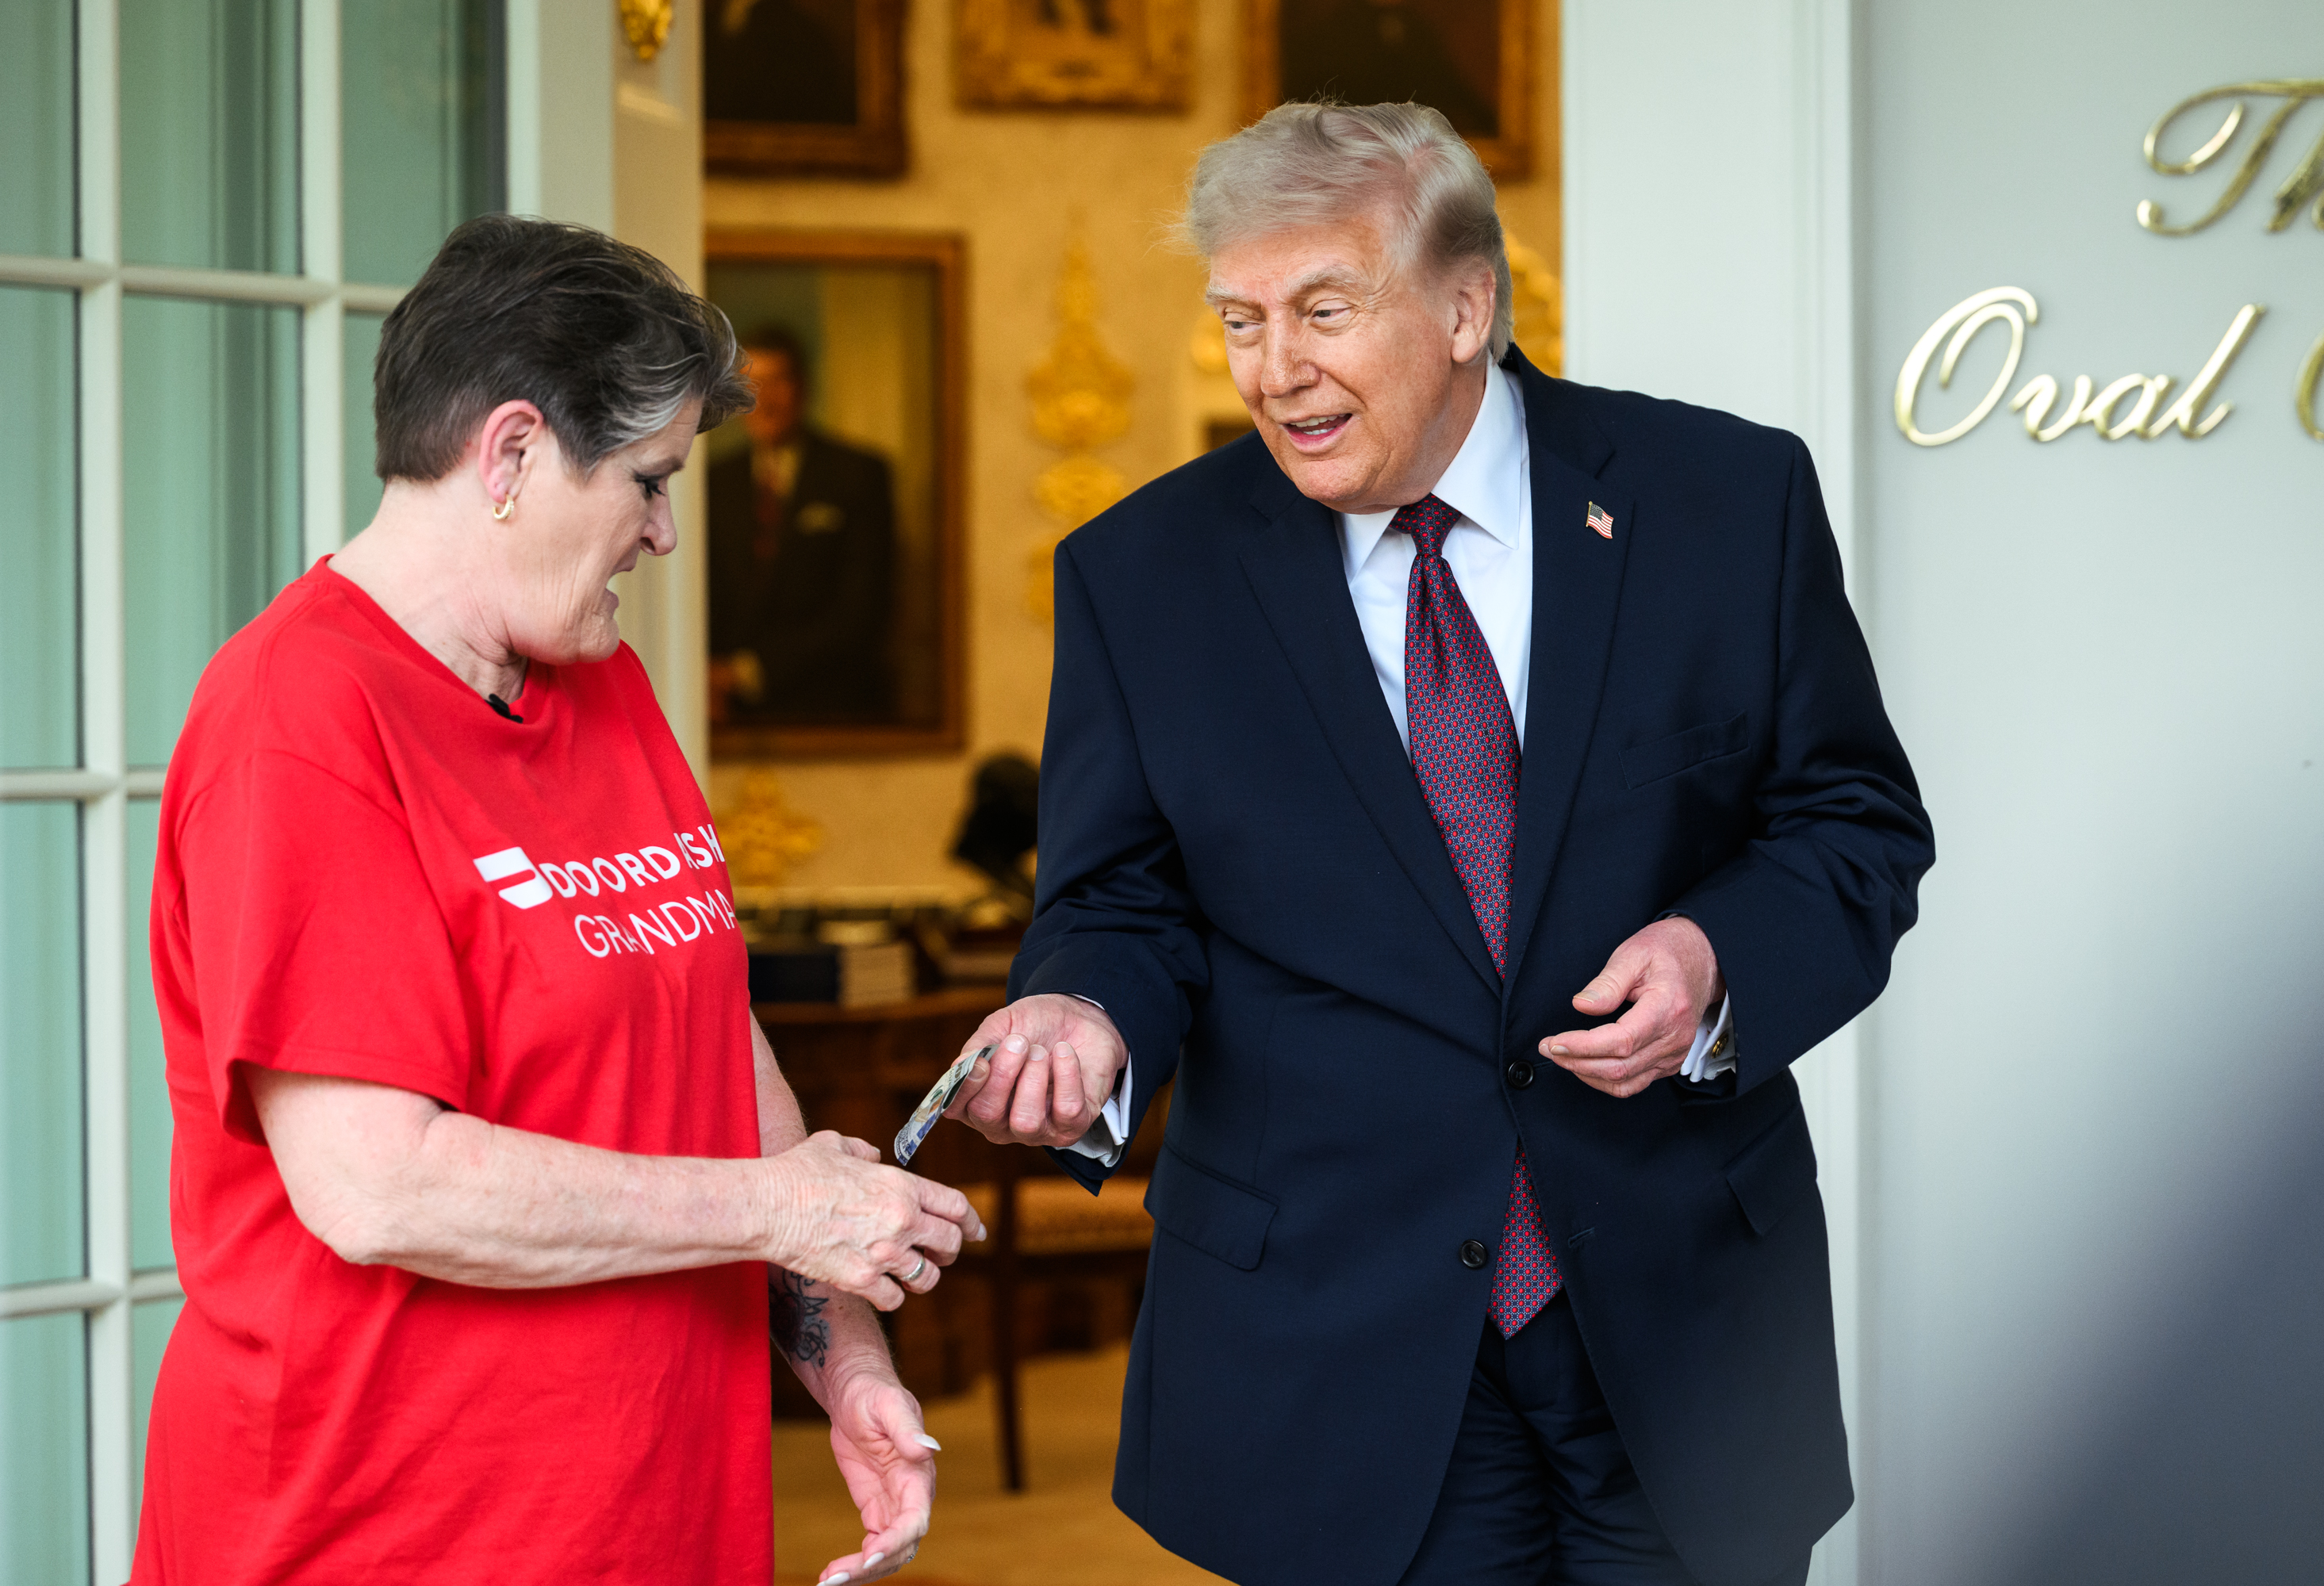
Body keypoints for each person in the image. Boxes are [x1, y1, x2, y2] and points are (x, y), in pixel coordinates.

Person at [946, 103, 1933, 1586]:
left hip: (1682, 1328)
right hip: (1335, 1337)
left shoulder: (1727, 502)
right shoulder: (1143, 577)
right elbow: (1120, 900)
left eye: (1323, 311)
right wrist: (1085, 1013)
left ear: (1467, 307)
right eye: (1240, 320)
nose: (1274, 369)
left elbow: (1852, 823)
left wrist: (1715, 957)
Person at [135, 215, 983, 1586]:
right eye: (648, 482)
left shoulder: (601, 681)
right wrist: (779, 1212)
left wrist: (847, 1364)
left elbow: (716, 1042)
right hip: (386, 1533)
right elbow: (377, 1184)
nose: (663, 533)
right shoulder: (298, 719)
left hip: (651, 1510)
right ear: (514, 454)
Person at [707, 324, 899, 724]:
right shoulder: (713, 483)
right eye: (751, 384)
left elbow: (862, 610)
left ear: (803, 388)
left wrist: (748, 672)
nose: (764, 400)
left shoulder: (858, 475)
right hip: (729, 719)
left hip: (833, 712)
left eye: (777, 382)